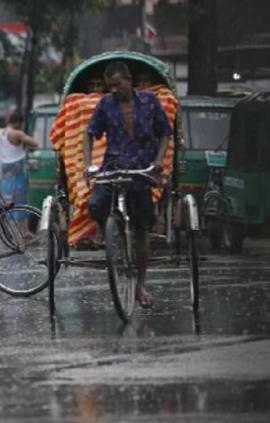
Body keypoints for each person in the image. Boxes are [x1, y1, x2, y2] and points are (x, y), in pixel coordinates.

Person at [83, 61, 172, 308]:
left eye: (117, 84)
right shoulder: (105, 104)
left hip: (141, 169)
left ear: (129, 81)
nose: (112, 90)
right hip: (114, 166)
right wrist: (88, 164)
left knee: (143, 227)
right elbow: (89, 133)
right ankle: (113, 234)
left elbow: (165, 132)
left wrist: (158, 161)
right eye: (109, 86)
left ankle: (140, 285)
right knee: (96, 203)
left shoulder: (150, 102)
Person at [0, 113, 38, 236]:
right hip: (17, 170)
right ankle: (24, 231)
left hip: (5, 171)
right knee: (20, 201)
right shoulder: (17, 134)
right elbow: (35, 143)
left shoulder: (0, 132)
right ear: (19, 123)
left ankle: (8, 232)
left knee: (8, 200)